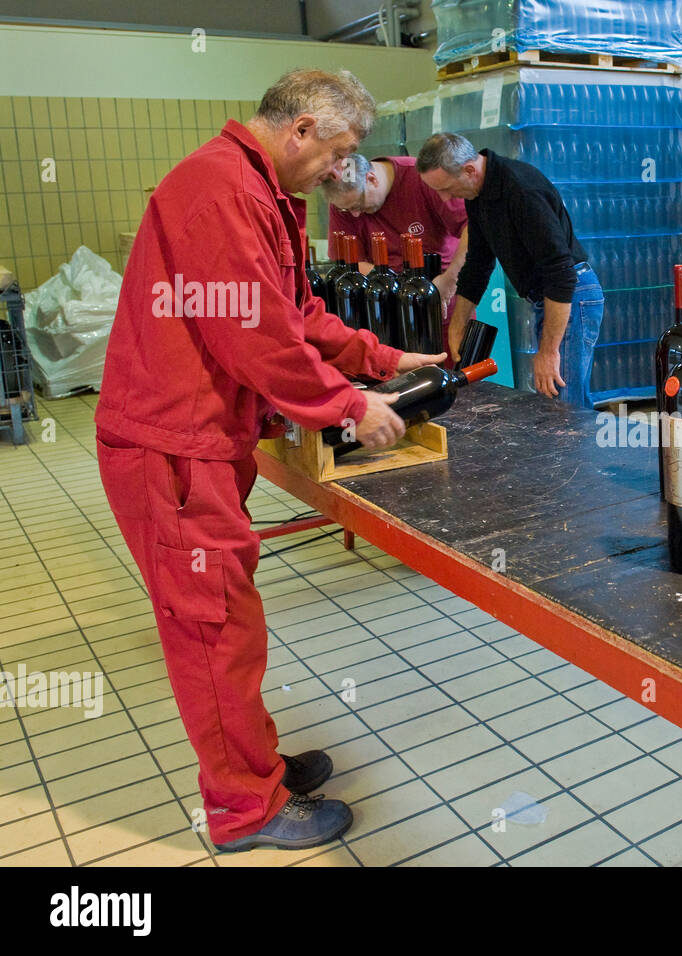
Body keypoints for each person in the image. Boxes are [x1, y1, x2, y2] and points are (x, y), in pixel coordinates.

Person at [93, 69, 445, 853]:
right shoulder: (220, 194)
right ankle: (242, 810)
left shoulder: (257, 188)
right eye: (341, 154)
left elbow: (296, 312)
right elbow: (256, 336)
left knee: (233, 621)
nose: (343, 174)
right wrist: (350, 406)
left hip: (199, 444)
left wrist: (381, 357)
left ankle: (256, 766)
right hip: (171, 451)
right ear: (303, 131)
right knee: (212, 629)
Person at [416, 132, 605, 409]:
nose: (445, 199)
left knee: (561, 405)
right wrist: (458, 324)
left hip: (572, 295)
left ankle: (573, 448)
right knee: (563, 402)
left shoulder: (522, 191)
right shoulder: (476, 194)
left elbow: (560, 272)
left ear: (470, 169)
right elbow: (478, 262)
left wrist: (549, 351)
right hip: (549, 296)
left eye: (446, 188)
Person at [322, 153, 469, 349]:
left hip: (440, 297)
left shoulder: (423, 178)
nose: (355, 215)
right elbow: (350, 261)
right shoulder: (344, 203)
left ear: (371, 179)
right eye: (347, 210)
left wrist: (450, 279)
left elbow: (472, 228)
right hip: (389, 310)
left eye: (358, 205)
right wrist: (392, 287)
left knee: (452, 369)